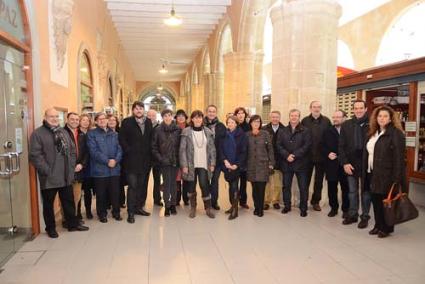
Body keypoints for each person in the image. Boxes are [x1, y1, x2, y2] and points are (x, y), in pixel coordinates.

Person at [29, 108, 89, 238]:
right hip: (49, 177)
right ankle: (51, 228)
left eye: (56, 116)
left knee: (68, 201)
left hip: (66, 175)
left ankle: (72, 224)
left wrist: (71, 167)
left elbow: (72, 150)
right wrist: (47, 170)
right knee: (48, 204)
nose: (55, 118)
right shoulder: (38, 134)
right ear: (45, 117)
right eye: (51, 116)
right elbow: (35, 155)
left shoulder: (63, 132)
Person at [364, 105, 406, 238]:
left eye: (385, 116)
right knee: (375, 200)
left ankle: (386, 228)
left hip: (387, 174)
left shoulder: (396, 134)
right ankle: (378, 225)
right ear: (376, 118)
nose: (382, 118)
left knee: (386, 202)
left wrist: (396, 178)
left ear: (391, 118)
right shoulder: (373, 132)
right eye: (380, 116)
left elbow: (399, 158)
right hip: (372, 172)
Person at [339, 99, 371, 228]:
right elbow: (341, 146)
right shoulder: (346, 125)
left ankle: (365, 216)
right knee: (352, 192)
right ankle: (352, 215)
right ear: (353, 110)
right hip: (350, 164)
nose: (358, 110)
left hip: (367, 164)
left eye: (361, 108)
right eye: (356, 108)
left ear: (365, 109)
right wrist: (345, 163)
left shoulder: (372, 124)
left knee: (366, 192)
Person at [119, 101, 153, 224]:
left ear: (143, 110)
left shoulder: (148, 122)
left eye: (141, 108)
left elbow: (151, 140)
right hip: (131, 161)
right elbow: (121, 139)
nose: (139, 110)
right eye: (136, 108)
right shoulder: (127, 122)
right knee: (133, 186)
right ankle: (131, 212)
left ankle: (139, 207)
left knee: (142, 186)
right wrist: (128, 150)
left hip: (145, 161)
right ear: (133, 110)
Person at [179, 110, 216, 218]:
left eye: (200, 117)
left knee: (204, 186)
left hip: (204, 164)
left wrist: (212, 163)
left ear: (202, 119)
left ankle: (208, 208)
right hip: (191, 165)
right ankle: (193, 207)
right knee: (191, 186)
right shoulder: (186, 132)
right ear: (192, 119)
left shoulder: (208, 132)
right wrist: (184, 165)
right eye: (195, 117)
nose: (198, 119)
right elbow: (182, 150)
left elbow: (212, 149)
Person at [87, 112, 123, 223]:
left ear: (107, 120)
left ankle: (116, 212)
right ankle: (102, 214)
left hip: (114, 169)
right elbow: (94, 152)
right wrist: (107, 161)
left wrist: (116, 160)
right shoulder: (92, 134)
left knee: (115, 192)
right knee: (101, 194)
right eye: (100, 119)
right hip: (100, 170)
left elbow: (120, 149)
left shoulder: (115, 134)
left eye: (104, 119)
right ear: (96, 121)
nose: (102, 121)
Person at [277, 109, 312, 217]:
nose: (294, 117)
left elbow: (306, 145)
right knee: (286, 186)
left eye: (296, 115)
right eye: (292, 115)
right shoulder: (282, 130)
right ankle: (287, 206)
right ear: (289, 116)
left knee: (303, 187)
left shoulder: (305, 130)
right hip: (286, 163)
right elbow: (278, 145)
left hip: (301, 163)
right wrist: (287, 155)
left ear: (299, 117)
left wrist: (295, 155)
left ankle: (303, 208)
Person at [301, 101, 331, 211]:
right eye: (314, 107)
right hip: (307, 157)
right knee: (305, 181)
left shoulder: (327, 121)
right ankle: (304, 201)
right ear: (310, 108)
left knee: (319, 181)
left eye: (318, 107)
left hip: (322, 157)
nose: (316, 109)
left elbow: (329, 138)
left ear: (321, 108)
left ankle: (315, 202)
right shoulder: (304, 121)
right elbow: (301, 138)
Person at [152, 109, 181, 217]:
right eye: (165, 116)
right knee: (166, 184)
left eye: (169, 115)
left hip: (175, 161)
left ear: (172, 116)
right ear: (162, 117)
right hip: (164, 161)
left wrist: (179, 159)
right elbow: (154, 147)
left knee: (174, 183)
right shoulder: (158, 130)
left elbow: (180, 146)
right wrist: (161, 158)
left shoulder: (178, 129)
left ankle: (173, 204)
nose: (167, 118)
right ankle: (167, 206)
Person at [219, 115, 248, 220]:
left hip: (237, 165)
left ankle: (235, 210)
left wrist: (236, 164)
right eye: (229, 122)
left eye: (232, 122)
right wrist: (225, 161)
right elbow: (220, 149)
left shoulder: (242, 135)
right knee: (231, 186)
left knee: (235, 187)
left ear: (236, 124)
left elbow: (243, 152)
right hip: (227, 165)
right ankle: (233, 206)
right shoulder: (224, 135)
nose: (230, 124)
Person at [63, 112, 89, 226]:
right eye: (72, 119)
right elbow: (60, 153)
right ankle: (67, 219)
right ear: (67, 119)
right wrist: (71, 166)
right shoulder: (62, 133)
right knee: (67, 197)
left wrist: (82, 164)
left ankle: (76, 216)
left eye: (76, 119)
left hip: (79, 169)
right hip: (66, 170)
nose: (75, 121)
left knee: (77, 195)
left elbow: (86, 152)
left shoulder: (81, 135)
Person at [246, 115, 275, 217]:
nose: (256, 123)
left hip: (263, 164)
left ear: (260, 123)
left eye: (258, 122)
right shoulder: (247, 135)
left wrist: (271, 163)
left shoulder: (265, 134)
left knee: (261, 188)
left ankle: (260, 208)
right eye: (254, 122)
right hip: (251, 165)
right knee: (254, 188)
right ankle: (256, 207)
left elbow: (270, 149)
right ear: (251, 123)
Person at [323, 110, 349, 218]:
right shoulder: (327, 131)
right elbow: (322, 145)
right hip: (331, 164)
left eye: (338, 117)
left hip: (345, 164)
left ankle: (346, 210)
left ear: (344, 118)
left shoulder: (349, 130)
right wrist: (328, 153)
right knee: (332, 188)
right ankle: (334, 208)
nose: (335, 119)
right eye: (334, 117)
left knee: (346, 188)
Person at [204, 105, 227, 210]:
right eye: (209, 111)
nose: (211, 113)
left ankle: (214, 202)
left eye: (213, 111)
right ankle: (206, 201)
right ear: (206, 112)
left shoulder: (221, 126)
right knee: (204, 181)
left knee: (214, 181)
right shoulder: (201, 124)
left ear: (216, 113)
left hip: (217, 159)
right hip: (203, 158)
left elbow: (223, 143)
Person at [262, 110, 285, 210]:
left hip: (280, 160)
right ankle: (266, 201)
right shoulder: (264, 129)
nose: (275, 119)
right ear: (270, 118)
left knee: (277, 182)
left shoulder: (285, 129)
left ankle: (275, 201)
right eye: (273, 117)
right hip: (267, 160)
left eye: (277, 117)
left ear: (279, 118)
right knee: (267, 182)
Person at [78, 114, 95, 219]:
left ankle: (88, 211)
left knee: (88, 190)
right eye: (83, 120)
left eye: (87, 120)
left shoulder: (91, 133)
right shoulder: (75, 133)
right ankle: (78, 212)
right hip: (78, 166)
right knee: (78, 191)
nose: (85, 122)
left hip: (89, 166)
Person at [234, 107, 251, 209]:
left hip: (245, 158)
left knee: (244, 182)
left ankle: (243, 201)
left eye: (242, 113)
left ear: (245, 115)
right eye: (238, 113)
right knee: (234, 182)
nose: (240, 115)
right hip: (235, 159)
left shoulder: (249, 127)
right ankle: (234, 201)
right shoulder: (233, 126)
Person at [108, 114, 126, 209]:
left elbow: (122, 146)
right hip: (108, 161)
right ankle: (110, 202)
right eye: (109, 120)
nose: (111, 122)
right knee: (109, 183)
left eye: (113, 120)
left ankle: (121, 201)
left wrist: (117, 159)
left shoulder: (120, 132)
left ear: (117, 122)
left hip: (120, 160)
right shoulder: (105, 132)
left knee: (120, 182)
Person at [147, 109, 163, 207]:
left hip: (157, 158)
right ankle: (141, 200)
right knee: (144, 180)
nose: (151, 117)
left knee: (157, 180)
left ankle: (157, 199)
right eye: (149, 115)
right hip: (146, 158)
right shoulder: (143, 126)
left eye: (153, 115)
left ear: (156, 117)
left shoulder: (160, 127)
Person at [175, 109, 190, 205]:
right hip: (175, 156)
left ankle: (186, 198)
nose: (180, 117)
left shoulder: (190, 128)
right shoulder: (172, 127)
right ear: (176, 118)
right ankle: (177, 198)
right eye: (178, 116)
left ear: (185, 118)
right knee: (177, 178)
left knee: (186, 178)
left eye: (182, 116)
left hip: (187, 156)